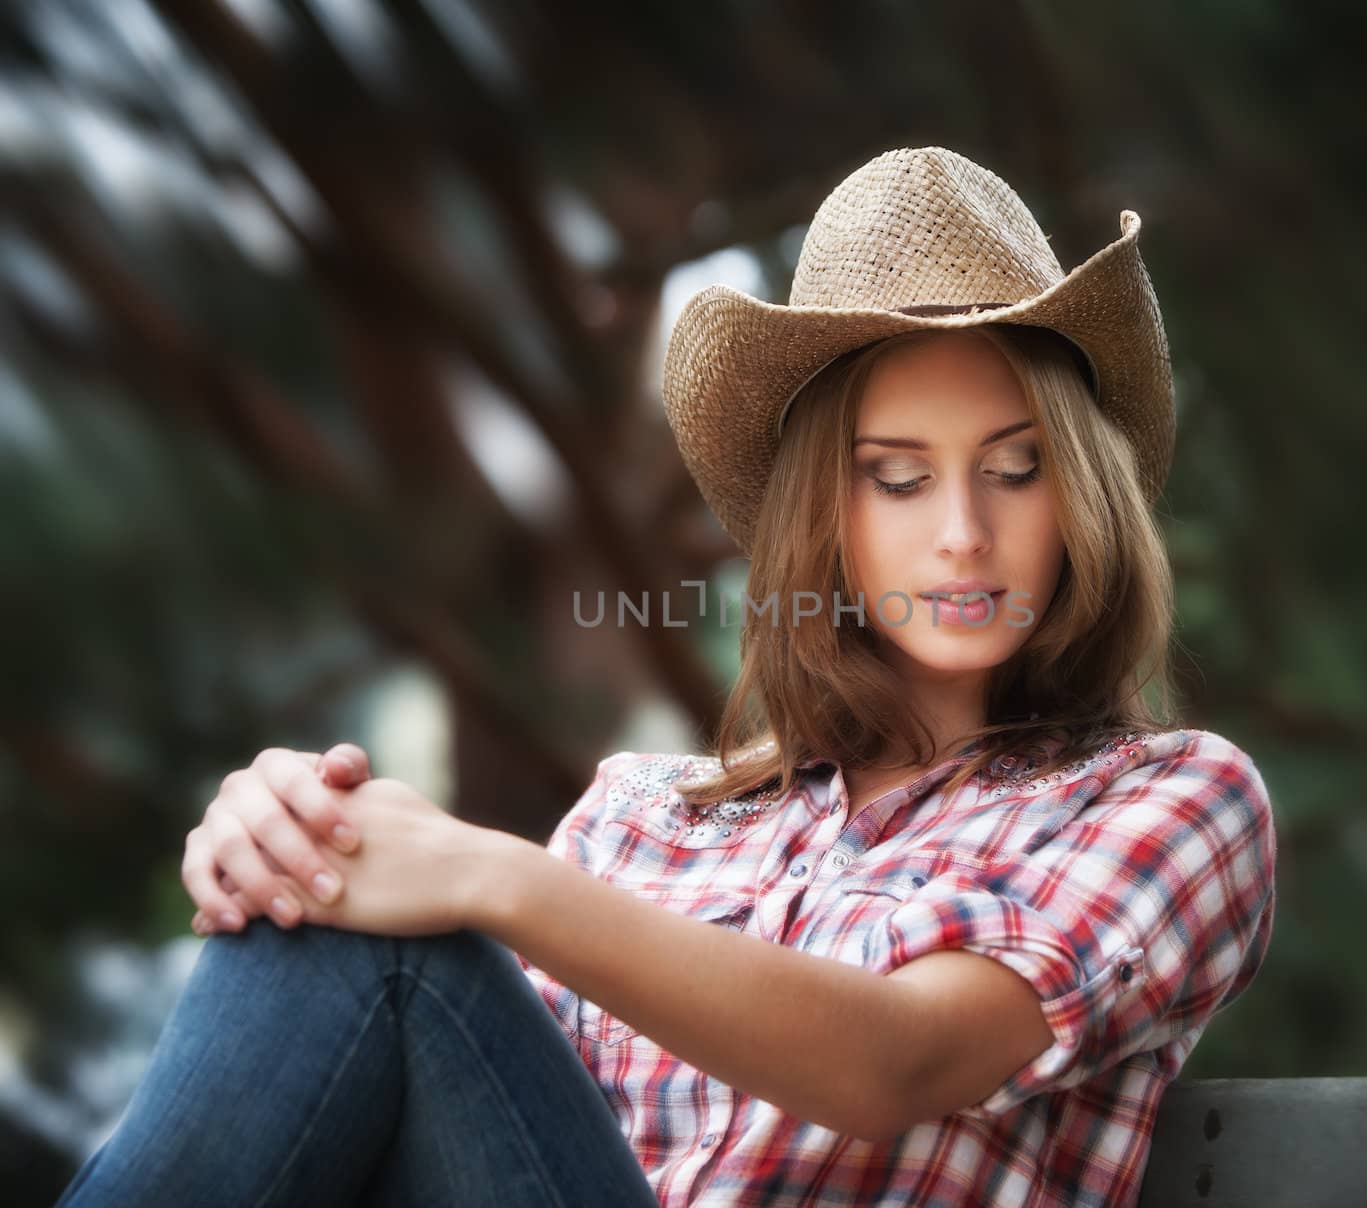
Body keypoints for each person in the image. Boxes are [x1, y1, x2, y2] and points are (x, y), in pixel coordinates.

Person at [55, 146, 1277, 1208]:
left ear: (1079, 499)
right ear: (826, 519)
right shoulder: (648, 818)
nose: (961, 530)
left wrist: (487, 874)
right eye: (897, 477)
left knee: (386, 935)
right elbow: (451, 1098)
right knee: (326, 900)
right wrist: (293, 842)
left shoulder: (1171, 802)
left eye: (1014, 469)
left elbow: (896, 1061)